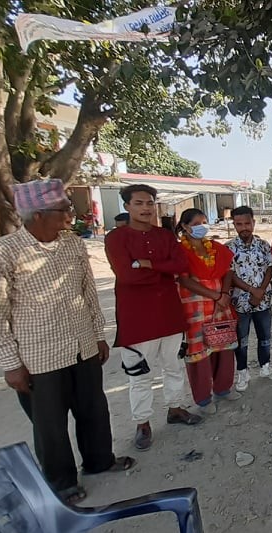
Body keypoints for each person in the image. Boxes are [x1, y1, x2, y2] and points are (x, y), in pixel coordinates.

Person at [0, 179, 135, 505]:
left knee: (94, 409)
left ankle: (99, 461)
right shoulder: (1, 252)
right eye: (63, 209)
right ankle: (61, 482)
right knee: (49, 425)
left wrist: (97, 335)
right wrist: (11, 364)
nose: (71, 214)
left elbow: (88, 294)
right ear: (37, 215)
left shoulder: (73, 245)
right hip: (39, 356)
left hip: (82, 346)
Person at [106, 184, 202, 453]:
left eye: (149, 203)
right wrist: (163, 270)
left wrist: (148, 264)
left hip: (169, 314)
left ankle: (175, 409)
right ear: (127, 206)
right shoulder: (116, 239)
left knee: (173, 366)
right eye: (139, 203)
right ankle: (142, 423)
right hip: (137, 318)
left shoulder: (165, 235)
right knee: (140, 375)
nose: (146, 208)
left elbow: (182, 266)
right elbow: (127, 276)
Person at [176, 208, 240, 415]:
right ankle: (203, 398)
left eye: (204, 221)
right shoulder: (180, 251)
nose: (202, 226)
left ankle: (223, 388)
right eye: (196, 223)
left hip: (220, 304)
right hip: (194, 307)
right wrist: (216, 296)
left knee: (223, 344)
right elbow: (184, 280)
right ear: (185, 227)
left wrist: (223, 293)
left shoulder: (215, 247)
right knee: (198, 353)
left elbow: (228, 271)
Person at [227, 206, 272, 389]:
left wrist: (261, 291)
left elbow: (269, 268)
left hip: (263, 300)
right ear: (233, 224)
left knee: (265, 336)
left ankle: (265, 367)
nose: (244, 227)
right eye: (239, 224)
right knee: (241, 340)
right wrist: (252, 290)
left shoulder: (263, 245)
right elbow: (230, 275)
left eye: (247, 223)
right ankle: (242, 372)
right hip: (239, 302)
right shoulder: (228, 248)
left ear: (253, 222)